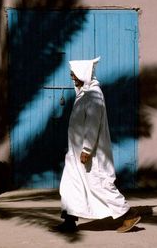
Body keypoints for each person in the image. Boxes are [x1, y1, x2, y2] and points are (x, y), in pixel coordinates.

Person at [51, 57, 141, 233]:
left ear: (82, 73)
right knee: (70, 185)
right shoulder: (84, 93)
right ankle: (69, 221)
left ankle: (129, 214)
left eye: (74, 73)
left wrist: (86, 149)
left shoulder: (94, 94)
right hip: (75, 152)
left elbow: (93, 124)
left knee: (100, 185)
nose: (71, 76)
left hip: (90, 152)